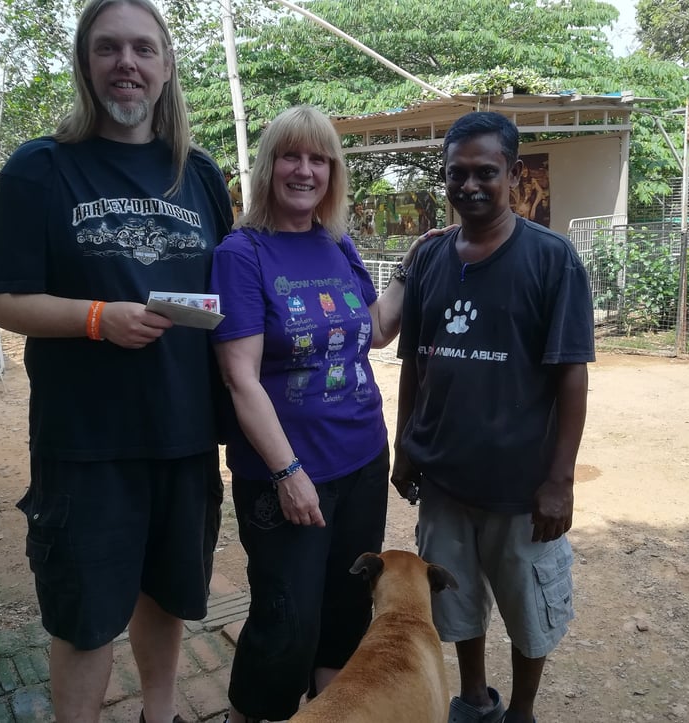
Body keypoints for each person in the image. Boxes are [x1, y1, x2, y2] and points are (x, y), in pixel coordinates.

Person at [0, 1, 233, 721]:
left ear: (166, 65)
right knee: (83, 616)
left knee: (169, 593)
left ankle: (160, 711)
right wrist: (95, 318)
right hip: (85, 444)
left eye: (144, 49)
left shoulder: (199, 173)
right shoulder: (41, 168)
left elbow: (230, 291)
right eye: (109, 48)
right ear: (86, 63)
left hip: (183, 433)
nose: (128, 64)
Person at [209, 104, 454, 723]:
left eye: (319, 158)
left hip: (364, 457)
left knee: (347, 607)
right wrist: (289, 472)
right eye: (291, 155)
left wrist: (410, 266)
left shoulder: (336, 241)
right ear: (268, 167)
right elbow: (240, 377)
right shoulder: (242, 254)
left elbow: (372, 331)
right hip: (286, 471)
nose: (305, 170)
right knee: (286, 613)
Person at [391, 111, 595, 723]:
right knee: (455, 603)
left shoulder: (551, 259)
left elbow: (572, 374)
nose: (470, 185)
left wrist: (559, 480)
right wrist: (405, 446)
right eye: (458, 173)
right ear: (445, 176)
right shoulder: (429, 259)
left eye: (486, 172)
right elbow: (414, 364)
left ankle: (522, 712)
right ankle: (474, 697)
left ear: (513, 173)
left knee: (529, 611)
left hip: (520, 487)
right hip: (445, 480)